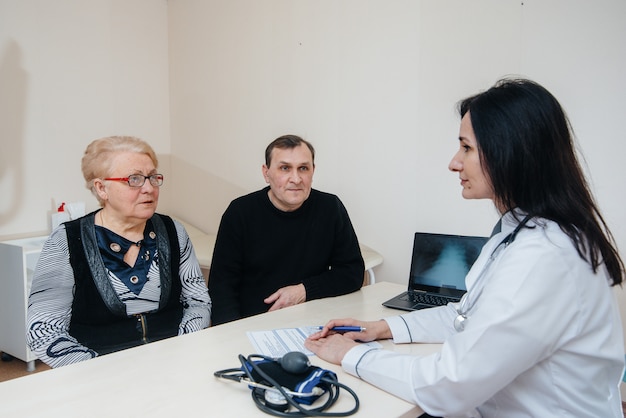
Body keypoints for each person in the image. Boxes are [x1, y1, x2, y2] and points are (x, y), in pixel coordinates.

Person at [305, 79, 625, 417]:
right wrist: (381, 329)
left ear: (510, 151)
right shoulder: (520, 232)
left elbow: (449, 385)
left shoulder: (544, 257)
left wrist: (349, 354)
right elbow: (468, 316)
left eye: (466, 148)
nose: (454, 162)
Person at [27, 136, 211, 368]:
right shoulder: (66, 241)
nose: (149, 188)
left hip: (173, 360)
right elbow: (44, 331)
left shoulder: (173, 231)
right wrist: (100, 371)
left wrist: (183, 348)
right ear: (101, 188)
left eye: (153, 177)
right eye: (134, 179)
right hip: (97, 370)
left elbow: (197, 301)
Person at [208, 134, 364, 325]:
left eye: (303, 168)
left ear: (313, 171)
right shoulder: (240, 213)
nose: (296, 179)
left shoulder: (330, 208)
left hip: (314, 321)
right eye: (285, 168)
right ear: (266, 173)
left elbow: (352, 272)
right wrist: (231, 336)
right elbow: (222, 289)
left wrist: (303, 290)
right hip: (254, 323)